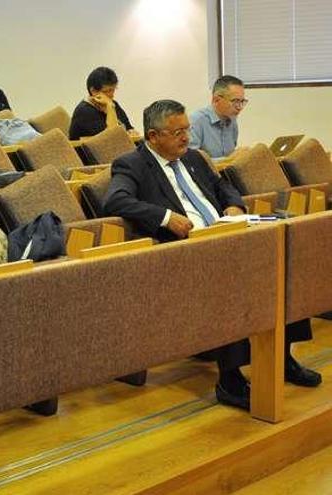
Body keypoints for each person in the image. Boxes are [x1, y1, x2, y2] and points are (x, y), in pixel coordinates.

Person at [103, 99, 320, 410]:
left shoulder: (193, 158)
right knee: (229, 278)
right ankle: (230, 380)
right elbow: (115, 201)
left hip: (226, 234)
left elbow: (223, 187)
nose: (185, 137)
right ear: (152, 137)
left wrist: (234, 206)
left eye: (187, 129)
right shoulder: (132, 164)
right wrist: (165, 217)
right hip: (187, 253)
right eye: (176, 132)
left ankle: (281, 357)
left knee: (282, 259)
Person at [69, 66, 138, 141]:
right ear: (93, 91)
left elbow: (129, 128)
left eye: (113, 89)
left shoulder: (113, 103)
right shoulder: (84, 111)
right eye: (107, 91)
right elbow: (112, 139)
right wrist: (110, 108)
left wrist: (132, 132)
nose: (112, 94)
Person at [189, 75, 247, 159]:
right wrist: (228, 160)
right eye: (235, 101)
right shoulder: (196, 121)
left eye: (242, 101)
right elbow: (191, 161)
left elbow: (230, 156)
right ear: (216, 100)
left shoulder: (232, 121)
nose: (239, 107)